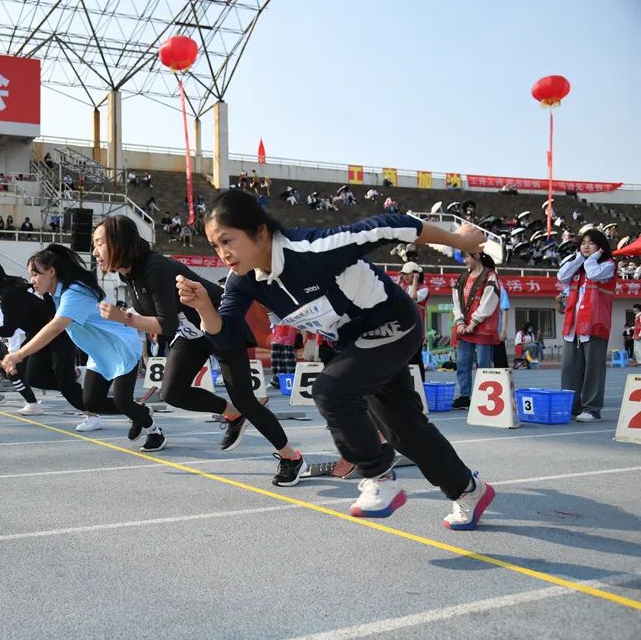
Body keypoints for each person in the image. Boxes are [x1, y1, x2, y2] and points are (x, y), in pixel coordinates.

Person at [176, 190, 494, 529]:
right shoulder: (243, 283)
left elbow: (388, 226)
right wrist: (203, 308)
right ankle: (469, 490)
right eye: (215, 246)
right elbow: (225, 339)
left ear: (260, 231)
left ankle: (379, 478)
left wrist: (457, 241)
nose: (223, 253)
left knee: (329, 391)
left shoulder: (312, 249)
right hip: (355, 344)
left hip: (394, 324)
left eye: (227, 240)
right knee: (403, 430)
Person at [92, 216, 305, 475]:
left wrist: (125, 318)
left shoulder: (154, 267)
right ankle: (233, 415)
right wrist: (129, 314)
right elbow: (156, 313)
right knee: (172, 393)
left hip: (219, 326)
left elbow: (166, 325)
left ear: (118, 242)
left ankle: (292, 458)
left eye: (99, 243)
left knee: (246, 400)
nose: (95, 251)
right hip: (191, 334)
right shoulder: (130, 275)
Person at [2, 245, 166, 451]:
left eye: (35, 274)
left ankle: (155, 432)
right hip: (99, 353)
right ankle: (140, 411)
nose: (32, 280)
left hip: (120, 346)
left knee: (122, 401)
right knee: (91, 402)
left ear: (51, 272)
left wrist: (19, 354)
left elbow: (55, 326)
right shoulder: (57, 295)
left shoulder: (75, 292)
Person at [0, 261, 92, 421]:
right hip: (37, 335)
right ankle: (70, 384)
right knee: (31, 375)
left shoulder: (9, 294)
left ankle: (92, 408)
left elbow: (8, 330)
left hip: (52, 335)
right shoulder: (5, 295)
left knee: (59, 384)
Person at [557, 229, 616, 422]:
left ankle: (592, 408)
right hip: (573, 326)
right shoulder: (578, 267)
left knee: (594, 368)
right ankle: (570, 406)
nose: (586, 246)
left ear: (600, 247)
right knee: (569, 368)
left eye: (591, 243)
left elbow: (594, 273)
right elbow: (561, 275)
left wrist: (593, 257)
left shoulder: (607, 265)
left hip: (595, 324)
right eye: (583, 243)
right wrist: (577, 258)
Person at [451, 252, 500, 409]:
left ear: (477, 256)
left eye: (466, 257)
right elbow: (456, 301)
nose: (465, 261)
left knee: (483, 364)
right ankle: (465, 396)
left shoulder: (490, 276)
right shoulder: (463, 277)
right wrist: (459, 321)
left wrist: (474, 321)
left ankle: (484, 396)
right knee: (462, 362)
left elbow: (489, 301)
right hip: (464, 327)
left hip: (482, 327)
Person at [397, 261, 429, 381]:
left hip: (416, 329)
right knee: (404, 360)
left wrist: (415, 281)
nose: (404, 277)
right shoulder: (404, 287)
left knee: (415, 358)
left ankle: (420, 383)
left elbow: (413, 298)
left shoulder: (424, 288)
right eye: (403, 274)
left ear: (415, 274)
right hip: (404, 328)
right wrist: (398, 283)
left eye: (406, 274)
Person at [492, 286, 511, 369]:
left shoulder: (499, 289)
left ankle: (503, 381)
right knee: (483, 366)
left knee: (501, 365)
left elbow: (504, 311)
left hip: (497, 334)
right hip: (482, 335)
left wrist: (503, 330)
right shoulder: (479, 288)